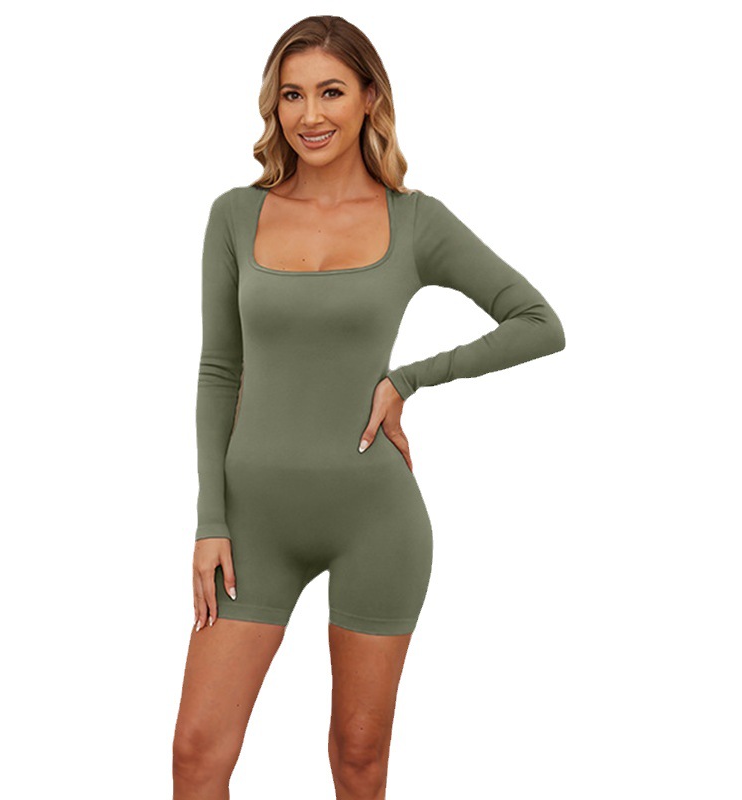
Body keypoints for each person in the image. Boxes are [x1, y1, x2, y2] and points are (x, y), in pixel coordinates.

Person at [172, 15, 565, 800]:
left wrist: (408, 379)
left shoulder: (415, 221)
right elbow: (220, 371)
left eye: (331, 92)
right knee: (196, 755)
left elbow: (538, 322)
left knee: (358, 757)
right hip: (251, 526)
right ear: (274, 106)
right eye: (292, 95)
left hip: (375, 522)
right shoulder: (235, 215)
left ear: (368, 99)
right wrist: (210, 519)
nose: (310, 114)